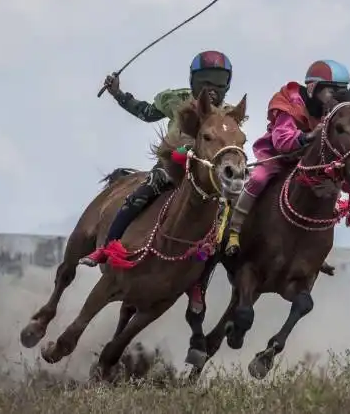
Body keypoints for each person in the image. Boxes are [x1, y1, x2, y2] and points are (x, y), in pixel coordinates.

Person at [79, 50, 235, 267]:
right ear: (193, 81)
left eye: (218, 83)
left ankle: (201, 284)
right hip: (173, 166)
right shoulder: (177, 99)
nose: (211, 89)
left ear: (227, 85)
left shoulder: (229, 115)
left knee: (226, 222)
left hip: (208, 177)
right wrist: (118, 93)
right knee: (140, 195)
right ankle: (105, 249)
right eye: (204, 81)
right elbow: (146, 112)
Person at [223, 59, 350, 262]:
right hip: (277, 155)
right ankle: (233, 232)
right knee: (258, 178)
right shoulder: (289, 103)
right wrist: (307, 136)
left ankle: (314, 247)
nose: (336, 97)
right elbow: (282, 140)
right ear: (313, 88)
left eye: (341, 92)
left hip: (307, 163)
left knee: (330, 189)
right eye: (332, 91)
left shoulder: (334, 113)